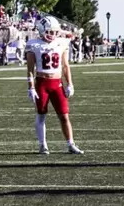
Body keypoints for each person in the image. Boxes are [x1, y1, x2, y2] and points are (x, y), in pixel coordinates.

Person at [25, 16, 84, 155]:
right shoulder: (34, 44)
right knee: (41, 115)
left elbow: (65, 66)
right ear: (41, 30)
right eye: (49, 31)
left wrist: (70, 84)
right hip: (42, 83)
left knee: (64, 115)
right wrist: (31, 87)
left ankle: (71, 144)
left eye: (54, 32)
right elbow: (30, 70)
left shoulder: (61, 43)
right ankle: (43, 145)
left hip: (57, 84)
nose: (52, 34)